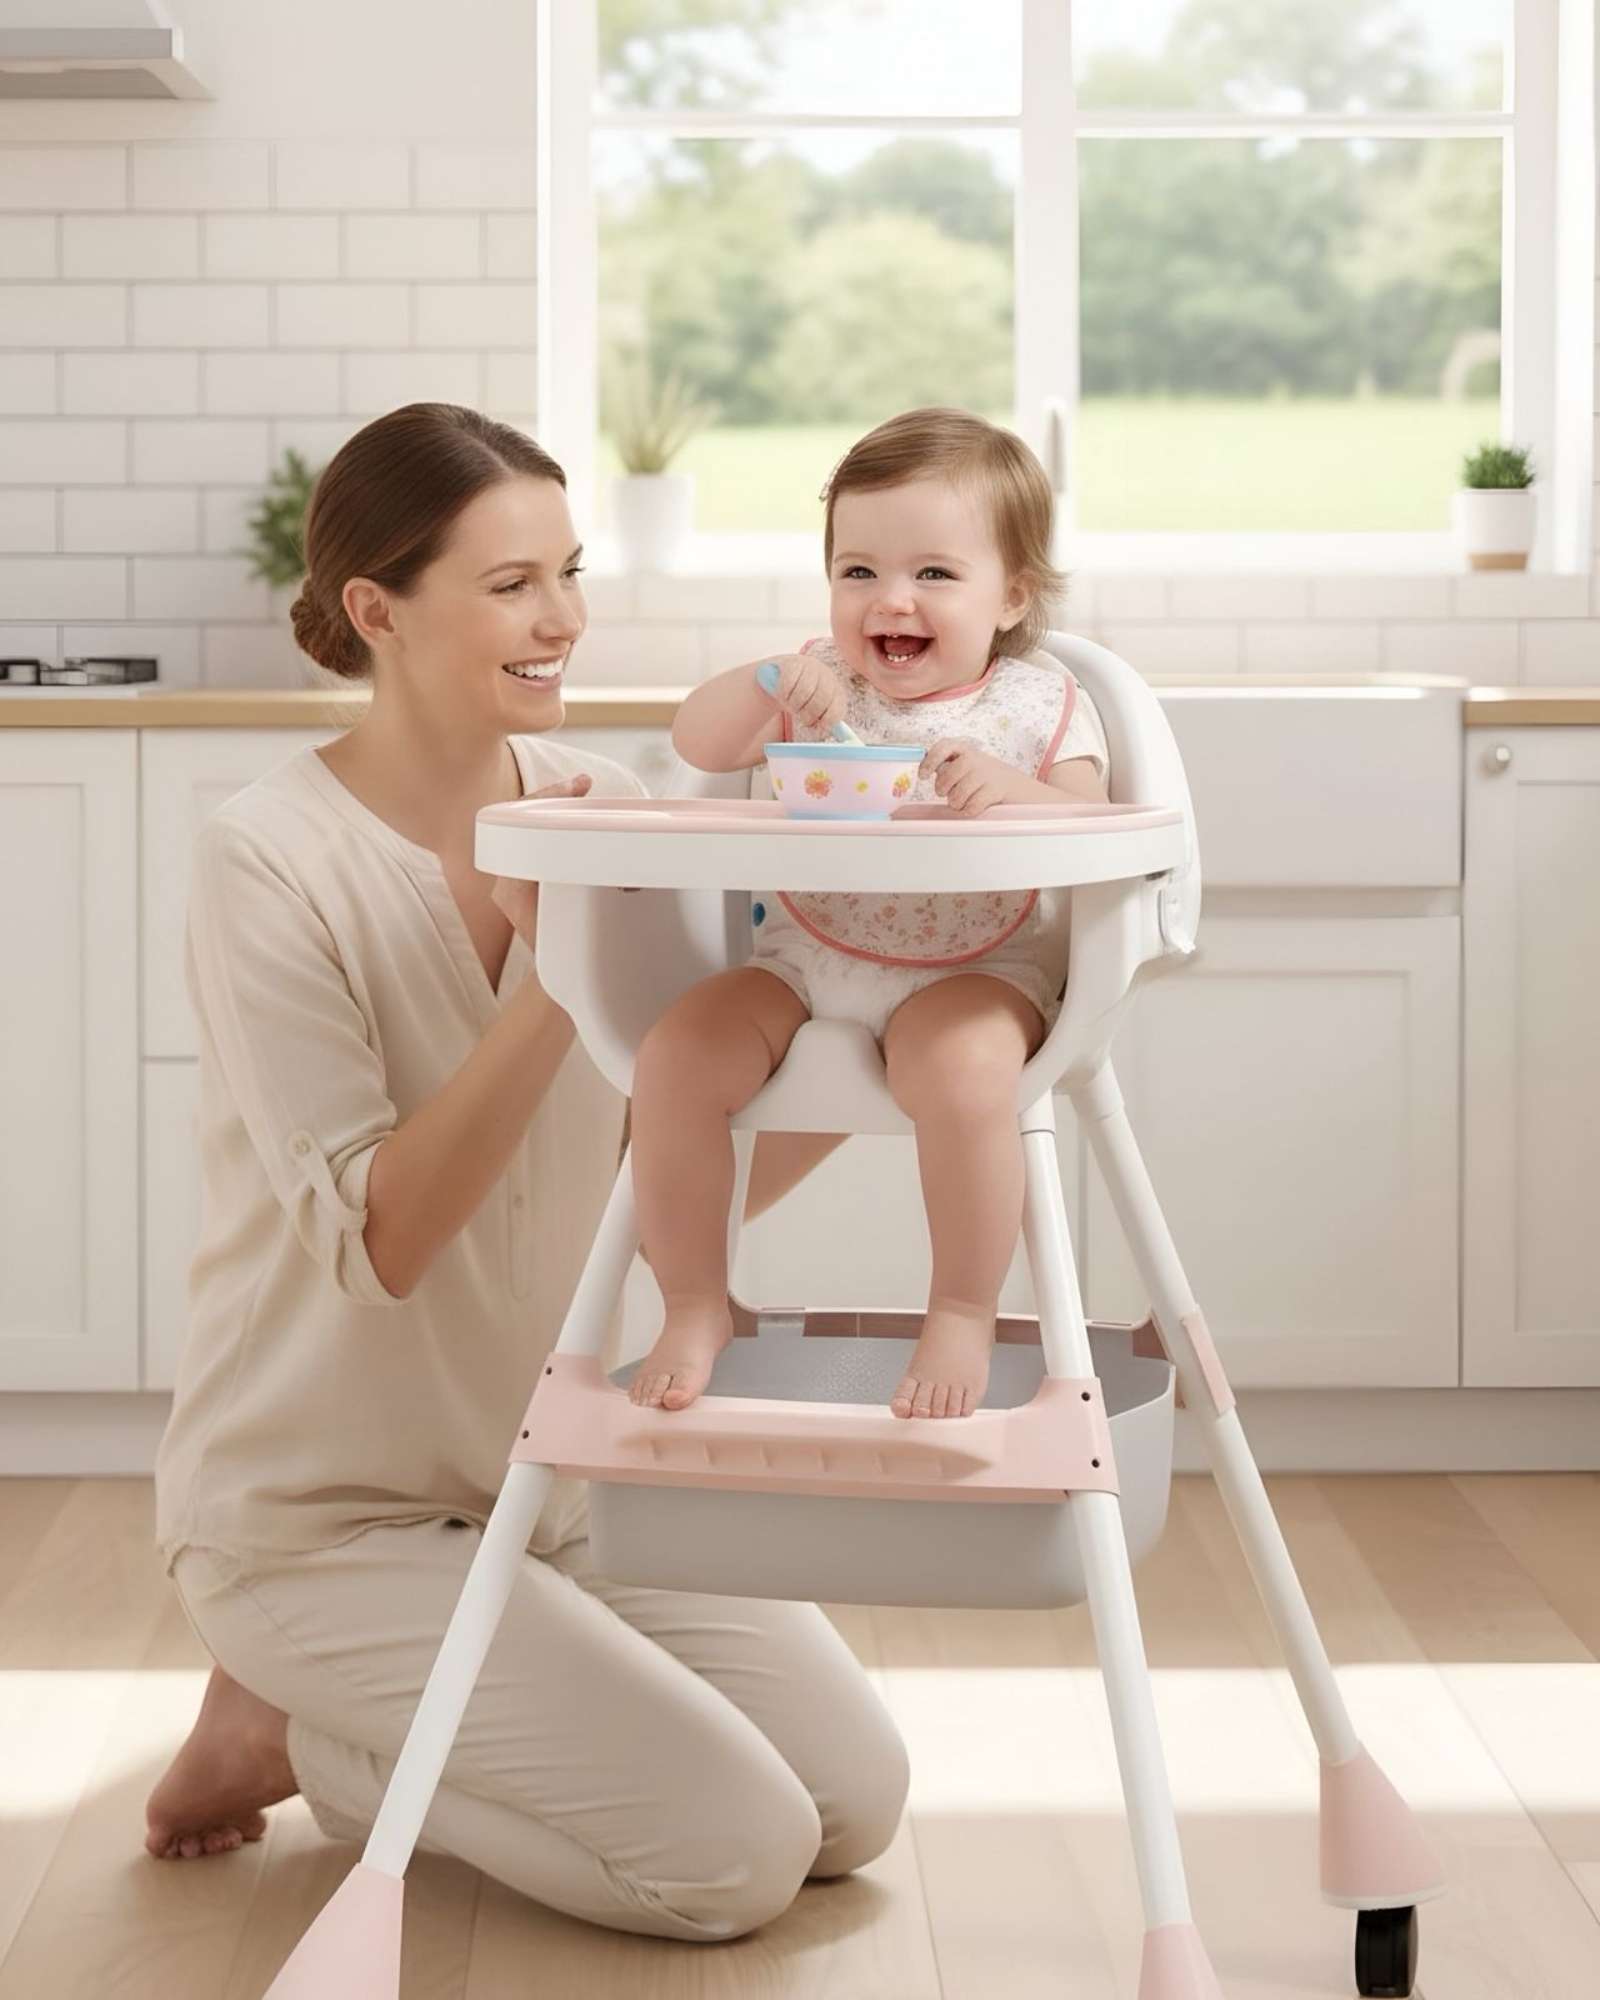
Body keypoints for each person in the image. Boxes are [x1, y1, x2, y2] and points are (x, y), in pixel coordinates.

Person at [144, 403, 908, 1942]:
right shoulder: (268, 859)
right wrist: (558, 966)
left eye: (568, 571)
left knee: (852, 1807)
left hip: (551, 1477)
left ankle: (354, 1707)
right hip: (322, 1513)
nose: (562, 617)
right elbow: (387, 1240)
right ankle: (306, 1726)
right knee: (730, 1861)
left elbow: (663, 1182)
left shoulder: (605, 801)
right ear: (378, 609)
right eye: (511, 584)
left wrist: (874, 999)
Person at [627, 407, 1110, 1422]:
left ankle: (962, 1307)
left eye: (934, 573)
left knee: (963, 1066)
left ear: (1011, 591)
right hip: (803, 957)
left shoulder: (1037, 706)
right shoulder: (824, 681)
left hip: (976, 968)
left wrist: (1010, 789)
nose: (891, 598)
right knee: (675, 1054)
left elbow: (1093, 826)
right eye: (859, 571)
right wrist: (766, 680)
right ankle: (695, 1299)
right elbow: (701, 744)